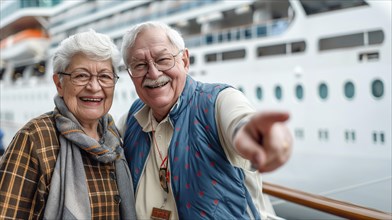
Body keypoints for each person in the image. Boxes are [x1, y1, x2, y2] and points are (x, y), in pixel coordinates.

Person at [119, 21, 293, 219]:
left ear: (184, 61)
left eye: (163, 59)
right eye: (140, 65)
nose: (153, 72)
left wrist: (260, 138)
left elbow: (240, 122)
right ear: (130, 74)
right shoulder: (131, 119)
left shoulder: (218, 101)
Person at [0, 30, 136, 219]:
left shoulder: (114, 137)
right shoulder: (35, 137)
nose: (94, 87)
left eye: (105, 76)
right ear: (59, 83)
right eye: (81, 76)